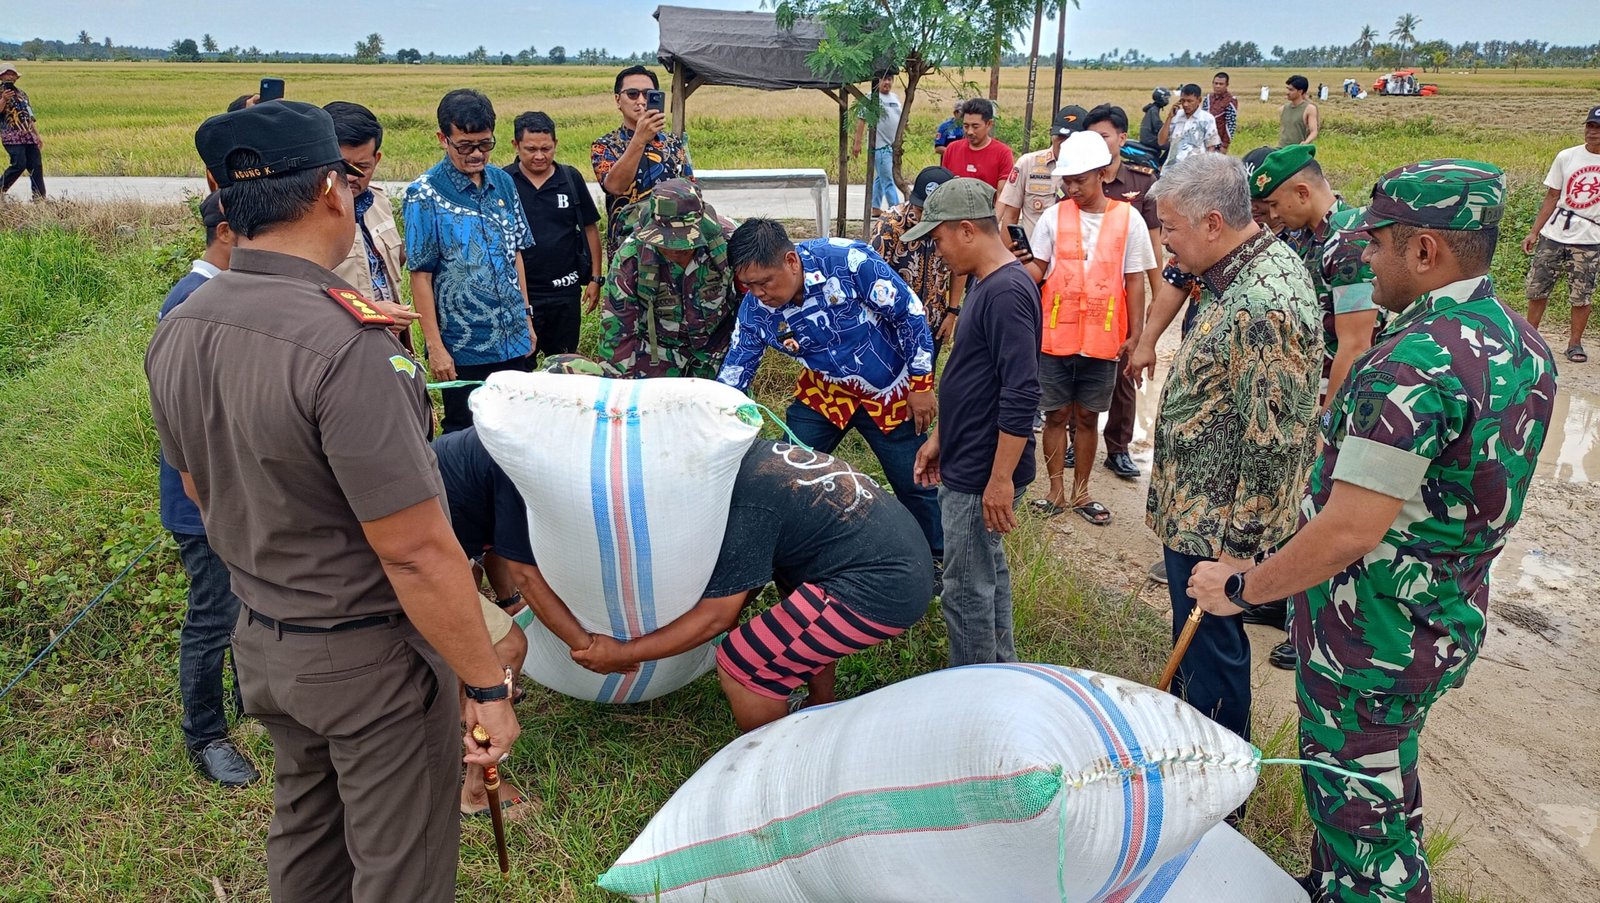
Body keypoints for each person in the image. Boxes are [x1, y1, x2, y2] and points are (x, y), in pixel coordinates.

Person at [146, 100, 519, 903]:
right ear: (329, 190)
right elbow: (414, 550)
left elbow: (201, 490)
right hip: (368, 660)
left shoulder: (181, 324)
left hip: (265, 641)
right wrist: (488, 686)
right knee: (401, 868)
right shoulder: (349, 345)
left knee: (308, 841)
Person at [1188, 160, 1556, 903]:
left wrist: (1241, 587)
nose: (1364, 257)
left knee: (1362, 823)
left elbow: (1349, 530)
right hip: (1440, 618)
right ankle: (1332, 883)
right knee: (1379, 786)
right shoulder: (1518, 341)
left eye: (1378, 243)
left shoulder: (1414, 364)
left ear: (1425, 250)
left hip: (1371, 638)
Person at [571, 440, 932, 732]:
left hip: (882, 589)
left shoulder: (747, 506)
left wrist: (624, 654)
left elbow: (715, 618)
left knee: (742, 662)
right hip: (892, 559)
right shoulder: (753, 459)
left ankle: (773, 763)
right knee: (796, 620)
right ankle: (821, 706)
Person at [1144, 153, 1321, 741]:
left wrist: (1239, 558)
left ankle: (1217, 779)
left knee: (1211, 662)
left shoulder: (1264, 304)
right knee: (1198, 657)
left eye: (1169, 227)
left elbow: (1276, 443)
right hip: (1200, 512)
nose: (1165, 242)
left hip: (1219, 530)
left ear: (1212, 223)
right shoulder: (1239, 271)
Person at [719, 220, 942, 571]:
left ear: (791, 261)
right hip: (825, 393)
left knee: (915, 479)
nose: (758, 293)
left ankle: (938, 559)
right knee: (788, 474)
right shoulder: (755, 310)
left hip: (886, 390)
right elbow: (737, 368)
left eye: (765, 282)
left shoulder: (849, 262)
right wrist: (719, 417)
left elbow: (909, 315)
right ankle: (786, 559)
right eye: (749, 285)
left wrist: (921, 384)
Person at [904, 178, 1042, 665]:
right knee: (987, 570)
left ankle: (973, 686)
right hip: (967, 454)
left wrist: (1000, 479)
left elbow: (1021, 392)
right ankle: (1002, 669)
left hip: (983, 468)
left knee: (965, 589)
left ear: (967, 230)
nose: (937, 252)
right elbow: (971, 374)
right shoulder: (987, 282)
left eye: (938, 239)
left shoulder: (1007, 292)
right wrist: (941, 437)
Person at [155, 193, 257, 788]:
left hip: (241, 490)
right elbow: (185, 419)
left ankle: (252, 701)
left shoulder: (231, 294)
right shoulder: (190, 303)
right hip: (202, 500)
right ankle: (206, 734)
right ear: (224, 233)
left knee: (249, 602)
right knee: (214, 614)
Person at [1020, 132, 1153, 526]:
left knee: (1087, 417)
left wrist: (1137, 337)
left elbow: (1134, 281)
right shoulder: (1053, 217)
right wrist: (1016, 268)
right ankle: (1055, 491)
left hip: (1103, 340)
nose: (1072, 188)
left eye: (1079, 180)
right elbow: (1039, 268)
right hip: (1055, 338)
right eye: (1067, 181)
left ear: (1101, 174)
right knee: (1056, 414)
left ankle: (1081, 492)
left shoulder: (1128, 219)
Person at [430, 425, 548, 819]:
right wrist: (584, 643)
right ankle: (477, 790)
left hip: (407, 554)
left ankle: (449, 749)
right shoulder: (521, 462)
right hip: (403, 565)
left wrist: (508, 600)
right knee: (506, 647)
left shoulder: (498, 444)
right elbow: (526, 573)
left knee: (463, 660)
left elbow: (494, 542)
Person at [405, 89, 536, 434]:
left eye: (484, 144)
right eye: (465, 146)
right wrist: (435, 347)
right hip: (464, 344)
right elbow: (421, 275)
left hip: (513, 337)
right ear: (443, 139)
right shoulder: (424, 194)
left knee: (515, 427)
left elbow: (515, 253)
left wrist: (526, 317)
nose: (477, 154)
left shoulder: (504, 183)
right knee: (466, 433)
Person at [1085, 103, 1163, 481]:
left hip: (1124, 289)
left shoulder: (1142, 181)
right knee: (1081, 365)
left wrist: (1159, 295)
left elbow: (1154, 241)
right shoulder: (1080, 180)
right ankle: (1077, 439)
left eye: (1103, 136)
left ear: (1121, 138)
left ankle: (1118, 447)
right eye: (1091, 138)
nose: (1098, 143)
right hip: (1086, 292)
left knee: (1125, 369)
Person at [597, 178, 740, 379]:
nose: (675, 248)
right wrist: (617, 387)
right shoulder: (630, 257)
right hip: (658, 348)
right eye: (666, 240)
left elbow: (754, 298)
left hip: (717, 344)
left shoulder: (729, 240)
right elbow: (617, 331)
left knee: (725, 397)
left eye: (684, 240)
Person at [506, 111, 604, 357]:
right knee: (520, 363)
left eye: (546, 149)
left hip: (565, 291)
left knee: (564, 361)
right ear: (516, 145)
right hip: (520, 294)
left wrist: (595, 278)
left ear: (556, 144)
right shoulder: (504, 181)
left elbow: (590, 228)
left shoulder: (570, 179)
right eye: (531, 149)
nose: (540, 156)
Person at [325, 101, 417, 350]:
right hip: (343, 350)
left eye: (362, 167)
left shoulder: (380, 202)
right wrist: (371, 310)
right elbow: (302, 296)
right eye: (342, 166)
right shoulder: (306, 217)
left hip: (391, 344)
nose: (351, 176)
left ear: (377, 160)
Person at [591, 65, 694, 262]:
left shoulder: (673, 143)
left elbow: (690, 189)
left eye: (648, 94)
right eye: (632, 94)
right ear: (618, 100)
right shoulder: (605, 146)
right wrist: (639, 139)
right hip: (627, 249)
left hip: (671, 246)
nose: (641, 101)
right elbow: (614, 186)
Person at [1523, 104, 1600, 364]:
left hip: (1589, 240)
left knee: (1581, 295)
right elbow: (1552, 196)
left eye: (1598, 128)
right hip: (1554, 234)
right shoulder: (1567, 157)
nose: (1593, 132)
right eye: (1590, 126)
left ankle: (1574, 344)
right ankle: (1530, 339)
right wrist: (1534, 232)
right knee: (1538, 288)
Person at [870, 165, 960, 354]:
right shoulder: (890, 226)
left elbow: (960, 268)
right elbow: (870, 277)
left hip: (932, 325)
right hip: (892, 328)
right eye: (920, 210)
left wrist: (952, 313)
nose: (923, 218)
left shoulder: (954, 225)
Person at [998, 104, 1086, 237]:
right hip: (1033, 249)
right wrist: (1007, 250)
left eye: (1071, 139)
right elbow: (1010, 216)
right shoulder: (1027, 163)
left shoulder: (1092, 172)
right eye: (1060, 136)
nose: (1064, 143)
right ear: (1051, 133)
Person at [852, 70, 903, 216]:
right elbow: (862, 120)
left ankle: (875, 207)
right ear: (877, 81)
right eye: (883, 79)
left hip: (893, 146)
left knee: (881, 178)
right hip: (880, 147)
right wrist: (857, 143)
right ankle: (896, 210)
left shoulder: (895, 98)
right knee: (888, 179)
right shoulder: (871, 98)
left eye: (889, 79)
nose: (887, 82)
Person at [941, 98, 1014, 190]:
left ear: (989, 124)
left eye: (975, 127)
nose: (969, 132)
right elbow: (944, 189)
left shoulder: (1003, 153)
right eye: (966, 126)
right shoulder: (952, 149)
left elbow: (1002, 193)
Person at [0, 64, 45, 201]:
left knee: (36, 166)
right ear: (1, 76)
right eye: (7, 74)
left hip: (28, 136)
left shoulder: (22, 94)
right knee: (19, 164)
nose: (10, 77)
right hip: (11, 136)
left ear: (16, 77)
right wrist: (4, 99)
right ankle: (1, 188)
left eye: (12, 74)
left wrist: (37, 135)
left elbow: (29, 116)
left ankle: (39, 198)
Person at [1157, 84, 1221, 165]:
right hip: (1172, 168)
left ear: (1199, 100)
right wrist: (1169, 117)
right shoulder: (1176, 115)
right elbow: (1161, 141)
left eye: (1190, 101)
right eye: (1183, 101)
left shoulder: (1207, 119)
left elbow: (1211, 147)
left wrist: (1206, 168)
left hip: (1194, 169)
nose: (1185, 104)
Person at [1203, 71, 1239, 153]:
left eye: (1221, 84)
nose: (1218, 86)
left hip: (1218, 142)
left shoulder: (1230, 100)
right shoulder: (1207, 98)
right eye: (1216, 83)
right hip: (1204, 140)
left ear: (1227, 85)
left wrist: (1225, 145)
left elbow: (1230, 124)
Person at [1280, 75, 1320, 146]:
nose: (1287, 92)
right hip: (1282, 149)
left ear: (1300, 91)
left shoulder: (1310, 109)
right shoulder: (1283, 109)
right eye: (1288, 89)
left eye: (1291, 90)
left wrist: (1306, 142)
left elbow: (1314, 131)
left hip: (1299, 149)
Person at [1138, 88, 1170, 155]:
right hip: (1149, 138)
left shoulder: (1153, 108)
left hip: (1148, 137)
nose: (1167, 100)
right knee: (1171, 146)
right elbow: (1157, 124)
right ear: (1160, 98)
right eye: (1166, 98)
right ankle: (1164, 161)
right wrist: (1168, 130)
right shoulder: (1154, 110)